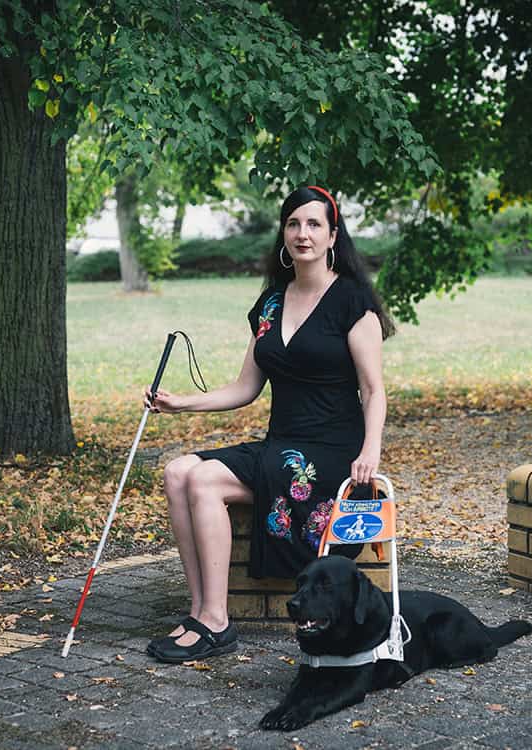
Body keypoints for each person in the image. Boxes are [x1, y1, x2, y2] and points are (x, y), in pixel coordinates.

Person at [142, 185, 394, 663]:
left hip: (332, 453)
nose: (303, 234)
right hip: (282, 445)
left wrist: (370, 450)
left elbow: (374, 389)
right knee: (179, 472)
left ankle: (216, 621)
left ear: (332, 235)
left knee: (204, 479)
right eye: (294, 223)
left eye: (314, 224)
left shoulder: (353, 302)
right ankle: (199, 610)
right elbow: (245, 388)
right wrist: (181, 404)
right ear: (283, 233)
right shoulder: (271, 305)